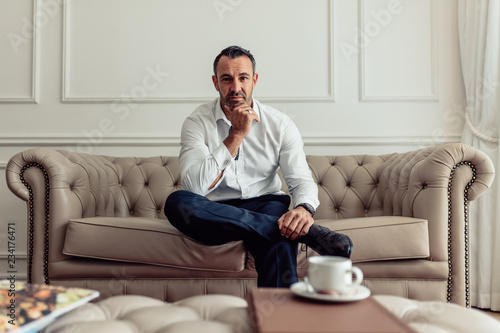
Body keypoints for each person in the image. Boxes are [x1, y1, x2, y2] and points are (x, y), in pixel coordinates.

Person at [164, 45, 352, 288]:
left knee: (281, 231)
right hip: (214, 212)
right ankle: (306, 234)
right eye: (226, 79)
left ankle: (280, 319)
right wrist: (236, 135)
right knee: (178, 202)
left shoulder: (280, 124)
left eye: (243, 78)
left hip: (265, 204)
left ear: (254, 80)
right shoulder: (196, 123)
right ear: (215, 82)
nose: (235, 88)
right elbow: (195, 187)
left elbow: (300, 179)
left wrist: (304, 210)